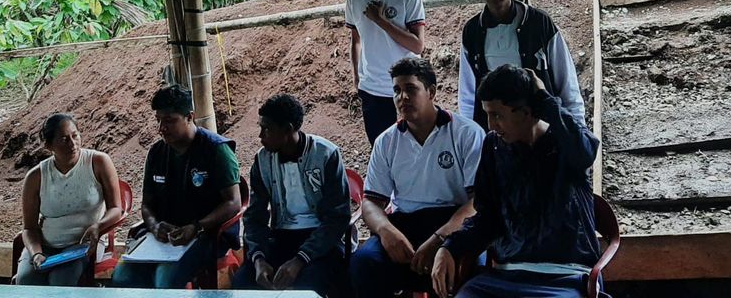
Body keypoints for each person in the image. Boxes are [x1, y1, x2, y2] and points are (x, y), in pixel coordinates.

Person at [432, 65, 602, 298]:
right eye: (487, 114)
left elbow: (586, 153)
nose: (491, 125)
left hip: (565, 275)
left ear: (525, 112)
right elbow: (487, 217)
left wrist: (545, 100)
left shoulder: (565, 140)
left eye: (497, 115)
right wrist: (449, 247)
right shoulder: (493, 146)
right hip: (506, 274)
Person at [350, 58, 484, 298]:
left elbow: (478, 201)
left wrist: (439, 239)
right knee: (364, 263)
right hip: (405, 224)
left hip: (453, 223)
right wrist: (386, 231)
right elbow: (371, 202)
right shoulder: (386, 141)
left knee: (470, 268)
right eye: (396, 91)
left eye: (410, 89)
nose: (402, 97)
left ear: (431, 92)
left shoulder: (466, 133)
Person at [112, 85, 241, 289]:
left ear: (189, 117)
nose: (161, 128)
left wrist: (196, 227)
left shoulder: (216, 150)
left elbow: (233, 202)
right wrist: (154, 226)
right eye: (159, 120)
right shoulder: (157, 153)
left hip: (205, 235)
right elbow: (147, 204)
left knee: (164, 280)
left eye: (169, 121)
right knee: (121, 277)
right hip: (163, 239)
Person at [233, 94, 350, 297]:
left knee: (306, 286)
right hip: (282, 236)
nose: (260, 136)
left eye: (267, 129)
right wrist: (259, 259)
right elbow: (254, 217)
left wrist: (300, 259)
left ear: (287, 130)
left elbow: (337, 217)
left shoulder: (326, 154)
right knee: (242, 282)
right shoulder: (262, 160)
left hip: (321, 240)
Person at [459, 0, 584, 129]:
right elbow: (467, 91)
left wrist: (577, 129)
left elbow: (566, 80)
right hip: (497, 130)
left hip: (540, 127)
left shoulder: (539, 23)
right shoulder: (472, 32)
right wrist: (469, 131)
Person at [16, 113, 123, 286]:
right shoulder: (36, 176)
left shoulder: (98, 162)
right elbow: (29, 228)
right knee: (26, 280)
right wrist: (36, 253)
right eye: (64, 139)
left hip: (83, 244)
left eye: (75, 135)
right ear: (49, 145)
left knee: (60, 281)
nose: (72, 144)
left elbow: (116, 209)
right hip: (46, 245)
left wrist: (98, 226)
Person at [345, 0, 426, 144]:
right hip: (372, 86)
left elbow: (417, 45)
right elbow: (356, 40)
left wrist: (380, 21)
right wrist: (356, 78)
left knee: (418, 143)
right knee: (381, 146)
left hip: (409, 83)